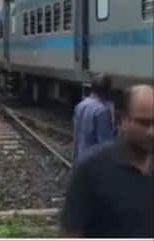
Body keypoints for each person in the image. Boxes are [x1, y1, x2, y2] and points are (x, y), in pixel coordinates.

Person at [59, 84, 153, 238]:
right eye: (143, 123)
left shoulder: (82, 106)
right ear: (122, 120)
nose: (151, 132)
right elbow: (70, 233)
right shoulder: (91, 169)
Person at [71, 73, 115, 165]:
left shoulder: (80, 106)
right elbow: (105, 144)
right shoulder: (102, 111)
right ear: (107, 91)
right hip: (93, 164)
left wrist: (74, 160)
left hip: (80, 159)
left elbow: (76, 136)